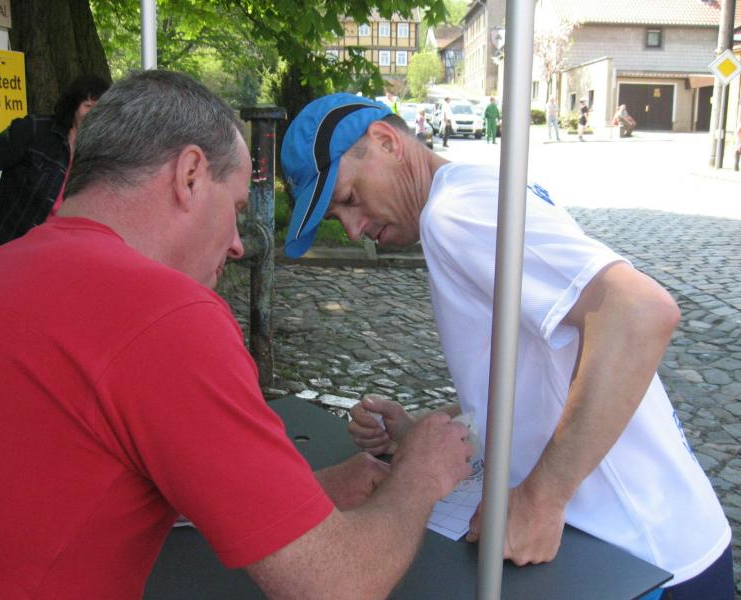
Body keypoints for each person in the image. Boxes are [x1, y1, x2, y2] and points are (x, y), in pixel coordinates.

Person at [0, 72, 475, 599]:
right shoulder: (167, 315)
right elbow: (335, 585)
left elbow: (65, 474)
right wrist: (419, 476)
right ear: (191, 175)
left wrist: (296, 499)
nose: (239, 244)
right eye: (237, 208)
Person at [280, 92, 734, 599]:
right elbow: (537, 366)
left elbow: (639, 312)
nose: (353, 229)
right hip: (656, 544)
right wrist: (427, 428)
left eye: (348, 199)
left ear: (387, 141)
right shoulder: (476, 187)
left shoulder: (453, 214)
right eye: (336, 218)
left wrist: (542, 498)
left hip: (639, 556)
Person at [0, 74, 110, 253]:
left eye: (100, 108)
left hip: (56, 248)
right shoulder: (34, 131)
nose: (94, 114)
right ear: (73, 106)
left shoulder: (100, 152)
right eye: (88, 106)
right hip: (11, 243)